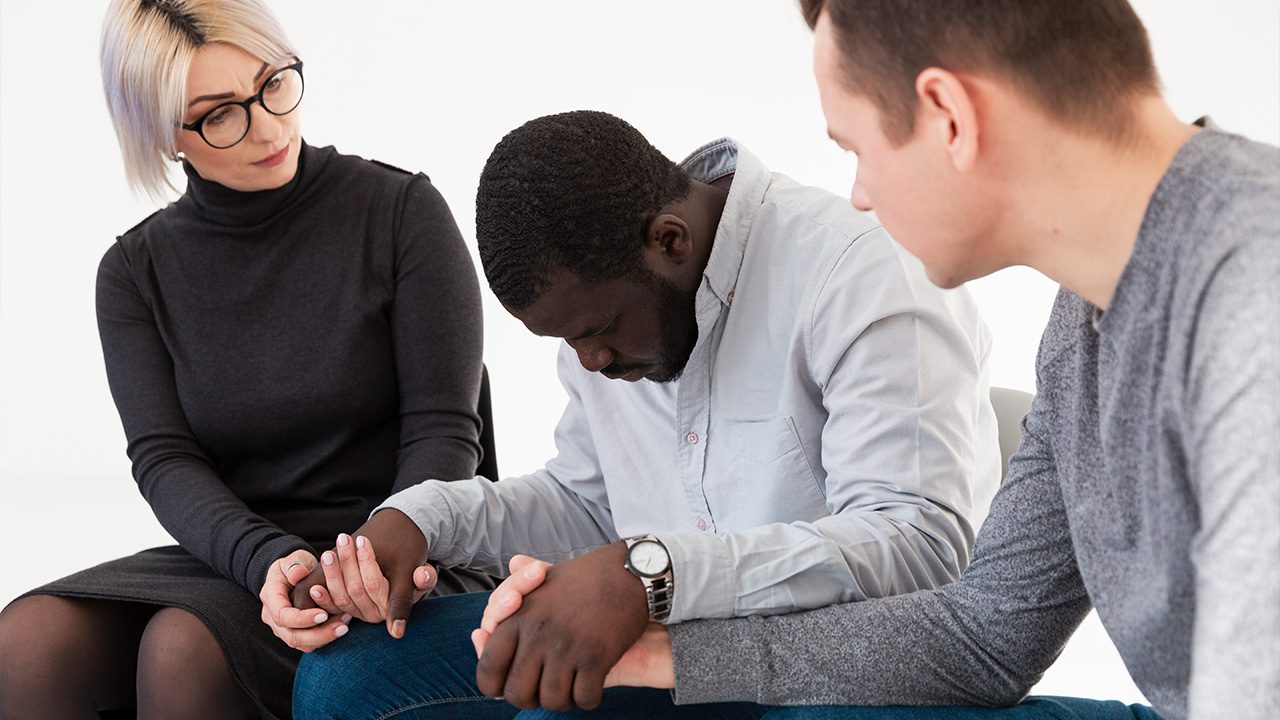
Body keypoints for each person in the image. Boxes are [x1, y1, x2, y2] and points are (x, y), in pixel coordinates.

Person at [476, 1, 1280, 719]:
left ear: (948, 115)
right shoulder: (1080, 328)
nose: (859, 193)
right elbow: (984, 636)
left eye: (855, 147)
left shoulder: (1254, 284)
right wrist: (673, 657)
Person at [285, 109, 1001, 719]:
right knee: (342, 679)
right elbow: (588, 505)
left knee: (554, 708)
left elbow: (918, 548)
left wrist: (650, 575)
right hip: (666, 643)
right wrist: (422, 519)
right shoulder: (614, 312)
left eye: (595, 331)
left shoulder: (860, 274)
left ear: (669, 241)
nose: (589, 361)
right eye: (568, 343)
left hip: (831, 672)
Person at [0, 1, 493, 718]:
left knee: (184, 646)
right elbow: (165, 459)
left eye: (273, 85)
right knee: (28, 639)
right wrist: (266, 560)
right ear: (165, 136)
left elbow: (446, 433)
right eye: (220, 113)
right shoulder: (135, 273)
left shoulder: (400, 213)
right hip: (238, 554)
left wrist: (373, 560)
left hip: (401, 547)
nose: (267, 125)